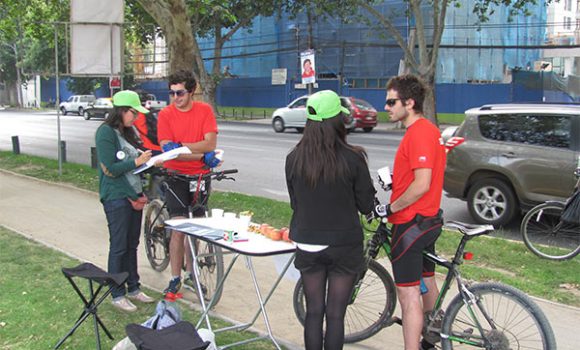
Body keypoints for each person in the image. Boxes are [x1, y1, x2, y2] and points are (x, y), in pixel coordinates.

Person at [285, 90, 375, 349]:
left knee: (314, 312)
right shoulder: (354, 157)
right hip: (344, 246)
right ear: (337, 120)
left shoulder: (294, 158)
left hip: (308, 243)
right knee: (336, 314)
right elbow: (366, 204)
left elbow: (295, 203)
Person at [382, 74, 446, 350]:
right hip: (429, 220)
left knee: (408, 296)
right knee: (427, 278)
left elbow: (422, 184)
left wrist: (390, 207)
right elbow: (420, 176)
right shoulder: (429, 130)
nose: (386, 107)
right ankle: (432, 337)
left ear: (409, 103)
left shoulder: (418, 133)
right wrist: (397, 182)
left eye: (391, 102)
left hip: (410, 224)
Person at [157, 70, 221, 295]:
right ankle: (175, 277)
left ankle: (191, 274)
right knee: (180, 227)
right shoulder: (165, 114)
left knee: (195, 228)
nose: (176, 97)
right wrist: (199, 151)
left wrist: (182, 147)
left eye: (180, 93)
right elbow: (169, 151)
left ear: (191, 91)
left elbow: (210, 144)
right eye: (172, 93)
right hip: (175, 175)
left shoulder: (204, 111)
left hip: (200, 176)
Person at [95, 90, 156, 312]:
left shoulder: (127, 132)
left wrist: (149, 160)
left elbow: (135, 160)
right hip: (116, 197)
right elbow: (110, 169)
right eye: (133, 112)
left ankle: (134, 287)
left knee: (132, 244)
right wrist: (137, 162)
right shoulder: (105, 133)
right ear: (120, 111)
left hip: (133, 194)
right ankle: (117, 293)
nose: (135, 117)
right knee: (119, 246)